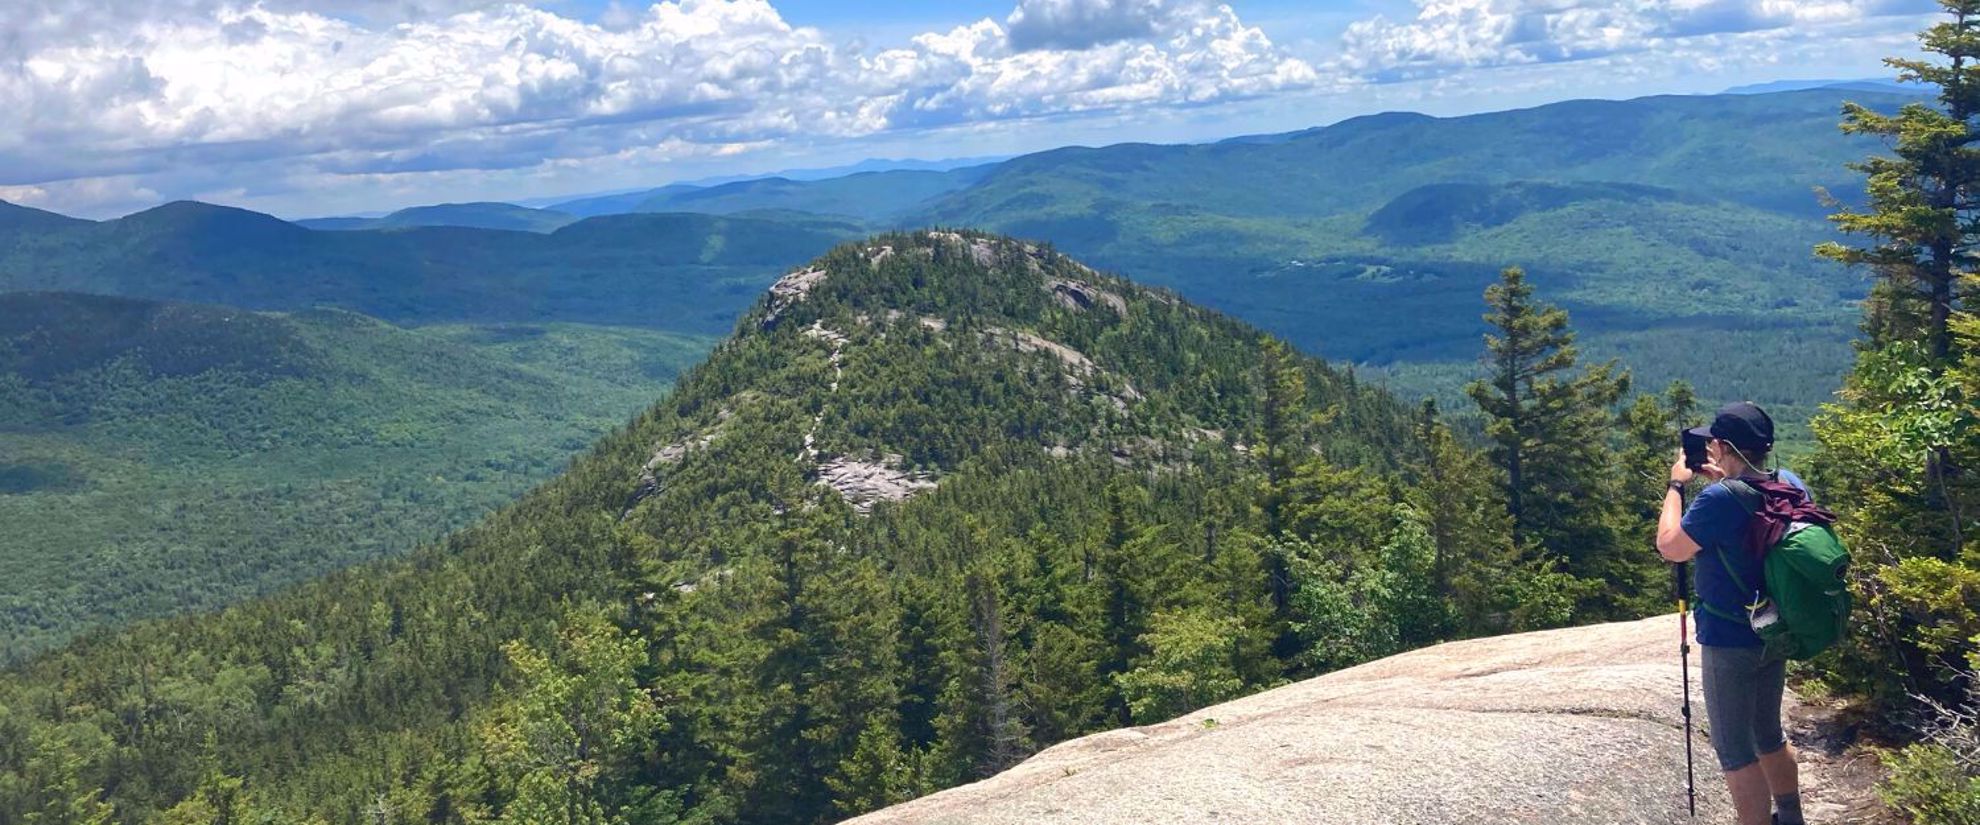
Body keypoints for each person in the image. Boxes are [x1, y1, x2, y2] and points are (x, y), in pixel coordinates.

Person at [1654, 401, 1806, 825]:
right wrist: (1725, 480)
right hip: (1774, 632)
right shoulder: (1789, 484)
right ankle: (1791, 817)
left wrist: (1675, 487)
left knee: (1736, 750)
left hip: (1729, 637)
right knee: (1768, 734)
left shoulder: (1721, 499)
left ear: (1720, 446)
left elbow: (1671, 547)